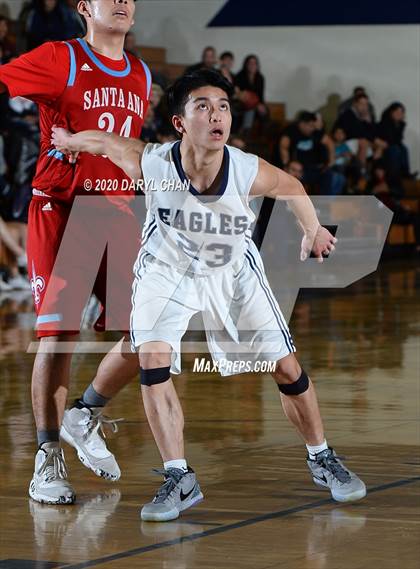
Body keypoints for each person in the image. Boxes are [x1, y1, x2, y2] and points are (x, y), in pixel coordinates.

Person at [52, 69, 367, 521]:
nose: (217, 114)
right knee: (152, 356)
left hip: (232, 271)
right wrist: (68, 139)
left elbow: (292, 187)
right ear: (180, 123)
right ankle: (178, 476)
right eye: (203, 106)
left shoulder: (244, 167)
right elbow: (103, 141)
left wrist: (312, 229)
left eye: (222, 106)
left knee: (284, 366)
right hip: (167, 270)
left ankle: (321, 456)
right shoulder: (153, 161)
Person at [0, 0, 151, 505]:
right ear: (85, 6)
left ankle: (84, 412)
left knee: (150, 330)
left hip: (117, 211)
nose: (125, 2)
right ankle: (46, 459)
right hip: (62, 208)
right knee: (59, 335)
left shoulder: (142, 73)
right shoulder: (59, 57)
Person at [279, 112, 344, 195]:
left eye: (314, 125)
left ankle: (323, 205)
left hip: (315, 167)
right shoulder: (291, 131)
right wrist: (286, 165)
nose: (313, 128)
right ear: (302, 124)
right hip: (299, 168)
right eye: (310, 125)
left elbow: (329, 143)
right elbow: (283, 147)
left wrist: (331, 161)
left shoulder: (315, 132)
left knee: (329, 175)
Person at [376, 102, 413, 193]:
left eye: (401, 113)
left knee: (404, 149)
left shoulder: (400, 125)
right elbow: (388, 139)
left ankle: (405, 172)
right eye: (397, 112)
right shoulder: (385, 123)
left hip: (391, 145)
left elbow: (398, 139)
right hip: (383, 148)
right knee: (396, 150)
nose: (399, 115)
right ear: (391, 112)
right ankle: (394, 176)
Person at [235, 54, 268, 131]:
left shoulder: (260, 77)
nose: (252, 65)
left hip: (256, 102)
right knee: (250, 108)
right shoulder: (240, 76)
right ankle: (246, 131)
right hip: (242, 103)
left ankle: (263, 135)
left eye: (254, 63)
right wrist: (255, 104)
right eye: (250, 63)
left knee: (265, 111)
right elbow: (238, 93)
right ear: (246, 65)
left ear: (257, 65)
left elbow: (261, 95)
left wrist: (261, 104)